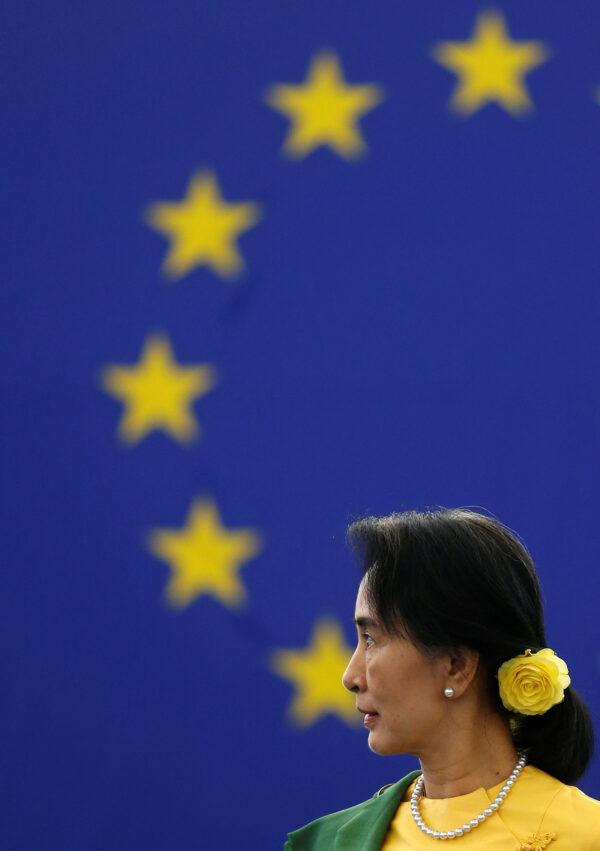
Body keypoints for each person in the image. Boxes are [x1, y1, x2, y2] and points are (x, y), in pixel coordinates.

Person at [284, 508, 600, 849]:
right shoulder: (328, 842)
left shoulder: (585, 835)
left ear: (456, 665)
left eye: (372, 638)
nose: (351, 676)